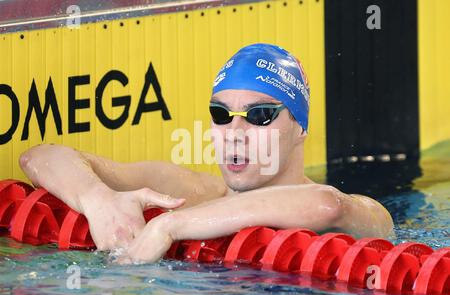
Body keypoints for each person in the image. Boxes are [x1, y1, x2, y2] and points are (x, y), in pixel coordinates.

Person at [19, 43, 393, 264]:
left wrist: (170, 225)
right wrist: (98, 199)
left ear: (301, 127)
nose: (234, 133)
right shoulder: (186, 191)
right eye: (220, 114)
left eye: (260, 116)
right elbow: (40, 157)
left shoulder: (362, 214)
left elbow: (327, 205)